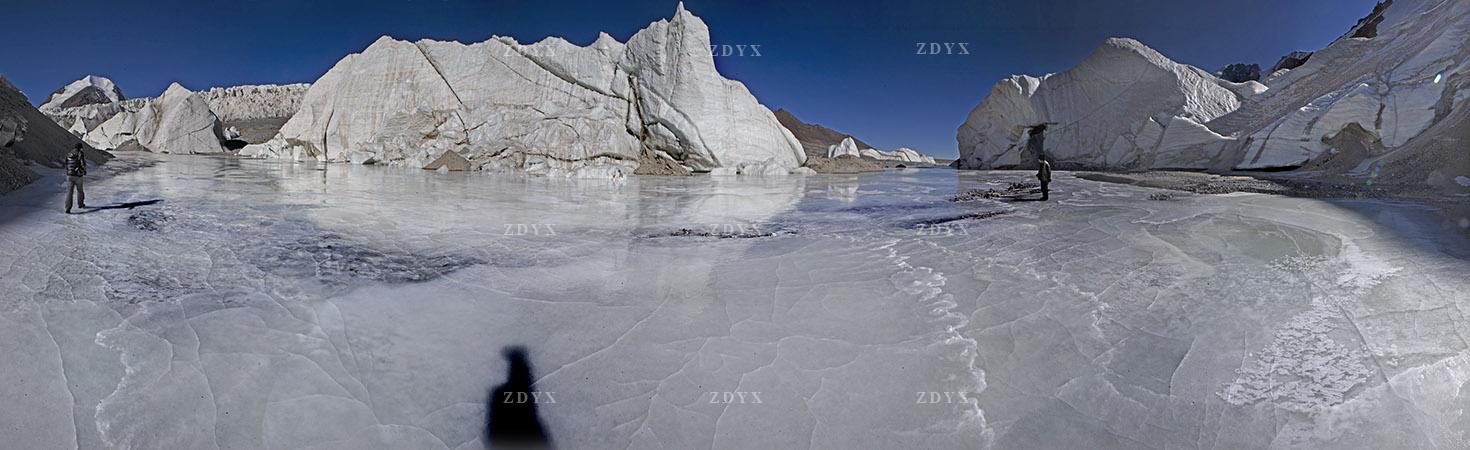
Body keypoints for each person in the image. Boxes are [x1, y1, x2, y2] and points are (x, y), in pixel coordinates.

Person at [64, 143, 87, 213]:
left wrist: (69, 171)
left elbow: (66, 164)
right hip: (78, 176)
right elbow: (83, 164)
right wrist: (84, 171)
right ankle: (80, 204)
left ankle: (67, 208)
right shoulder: (80, 153)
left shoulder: (68, 154)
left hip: (69, 175)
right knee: (80, 190)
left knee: (69, 192)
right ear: (80, 148)